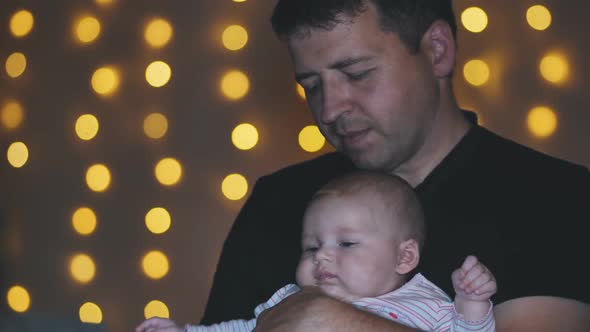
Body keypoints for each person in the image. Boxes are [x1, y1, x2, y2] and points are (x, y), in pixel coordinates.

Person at [200, 0, 590, 331]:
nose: (330, 108)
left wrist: (334, 319)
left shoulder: (557, 197)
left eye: (357, 73)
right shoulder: (275, 200)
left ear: (438, 50)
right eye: (312, 85)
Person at [137, 172, 497, 332]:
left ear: (404, 257)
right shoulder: (292, 300)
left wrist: (472, 304)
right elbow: (245, 328)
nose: (321, 257)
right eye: (311, 247)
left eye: (347, 243)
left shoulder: (426, 305)